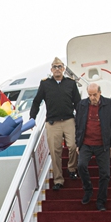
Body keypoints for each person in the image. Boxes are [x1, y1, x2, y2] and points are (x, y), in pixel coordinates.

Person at [28, 57, 80, 188]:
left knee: (73, 146)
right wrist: (32, 118)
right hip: (52, 123)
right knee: (55, 151)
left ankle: (72, 169)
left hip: (68, 120)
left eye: (59, 67)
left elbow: (78, 102)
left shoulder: (71, 83)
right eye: (55, 67)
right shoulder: (45, 84)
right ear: (51, 70)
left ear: (63, 69)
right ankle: (58, 180)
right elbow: (36, 101)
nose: (57, 69)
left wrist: (81, 118)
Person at [74, 83, 111, 210]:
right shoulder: (82, 105)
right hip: (86, 143)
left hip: (103, 144)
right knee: (81, 165)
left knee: (105, 174)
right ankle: (88, 189)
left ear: (100, 92)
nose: (92, 97)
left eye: (94, 95)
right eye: (90, 95)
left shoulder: (109, 104)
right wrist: (78, 143)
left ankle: (101, 200)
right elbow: (78, 125)